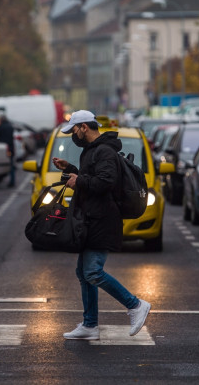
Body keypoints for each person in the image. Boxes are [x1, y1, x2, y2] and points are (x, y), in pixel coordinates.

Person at [53, 110, 151, 340]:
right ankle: (90, 325)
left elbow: (106, 182)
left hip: (102, 220)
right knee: (83, 272)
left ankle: (135, 305)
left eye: (74, 131)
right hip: (91, 219)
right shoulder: (93, 151)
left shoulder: (104, 151)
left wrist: (80, 180)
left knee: (93, 272)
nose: (73, 136)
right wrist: (71, 170)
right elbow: (93, 178)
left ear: (84, 127)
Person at [0, 115, 15, 187]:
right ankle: (12, 181)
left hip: (2, 148)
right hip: (10, 148)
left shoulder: (1, 127)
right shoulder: (10, 126)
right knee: (11, 165)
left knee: (1, 163)